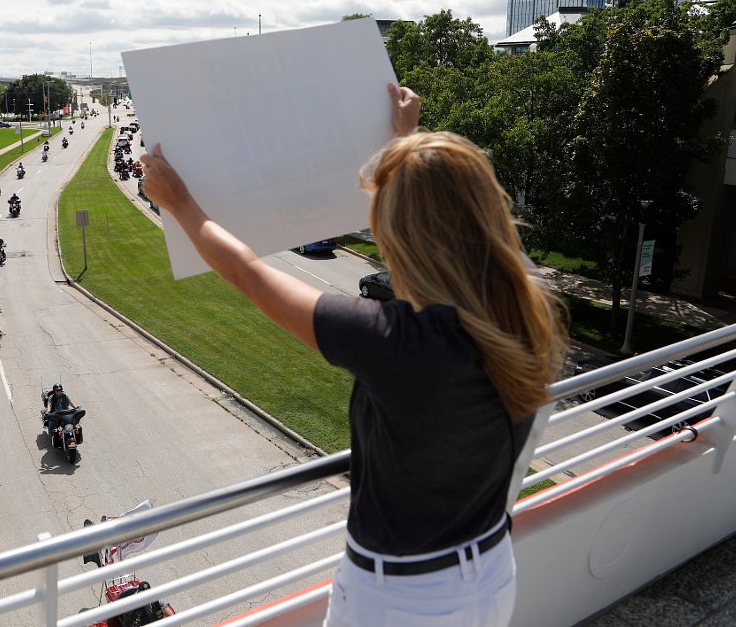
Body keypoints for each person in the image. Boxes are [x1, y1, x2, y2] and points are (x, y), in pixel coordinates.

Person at [139, 84, 568, 627]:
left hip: (403, 602)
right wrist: (410, 143)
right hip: (489, 569)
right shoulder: (529, 309)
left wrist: (178, 202)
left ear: (403, 240)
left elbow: (248, 274)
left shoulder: (398, 343)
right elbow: (484, 231)